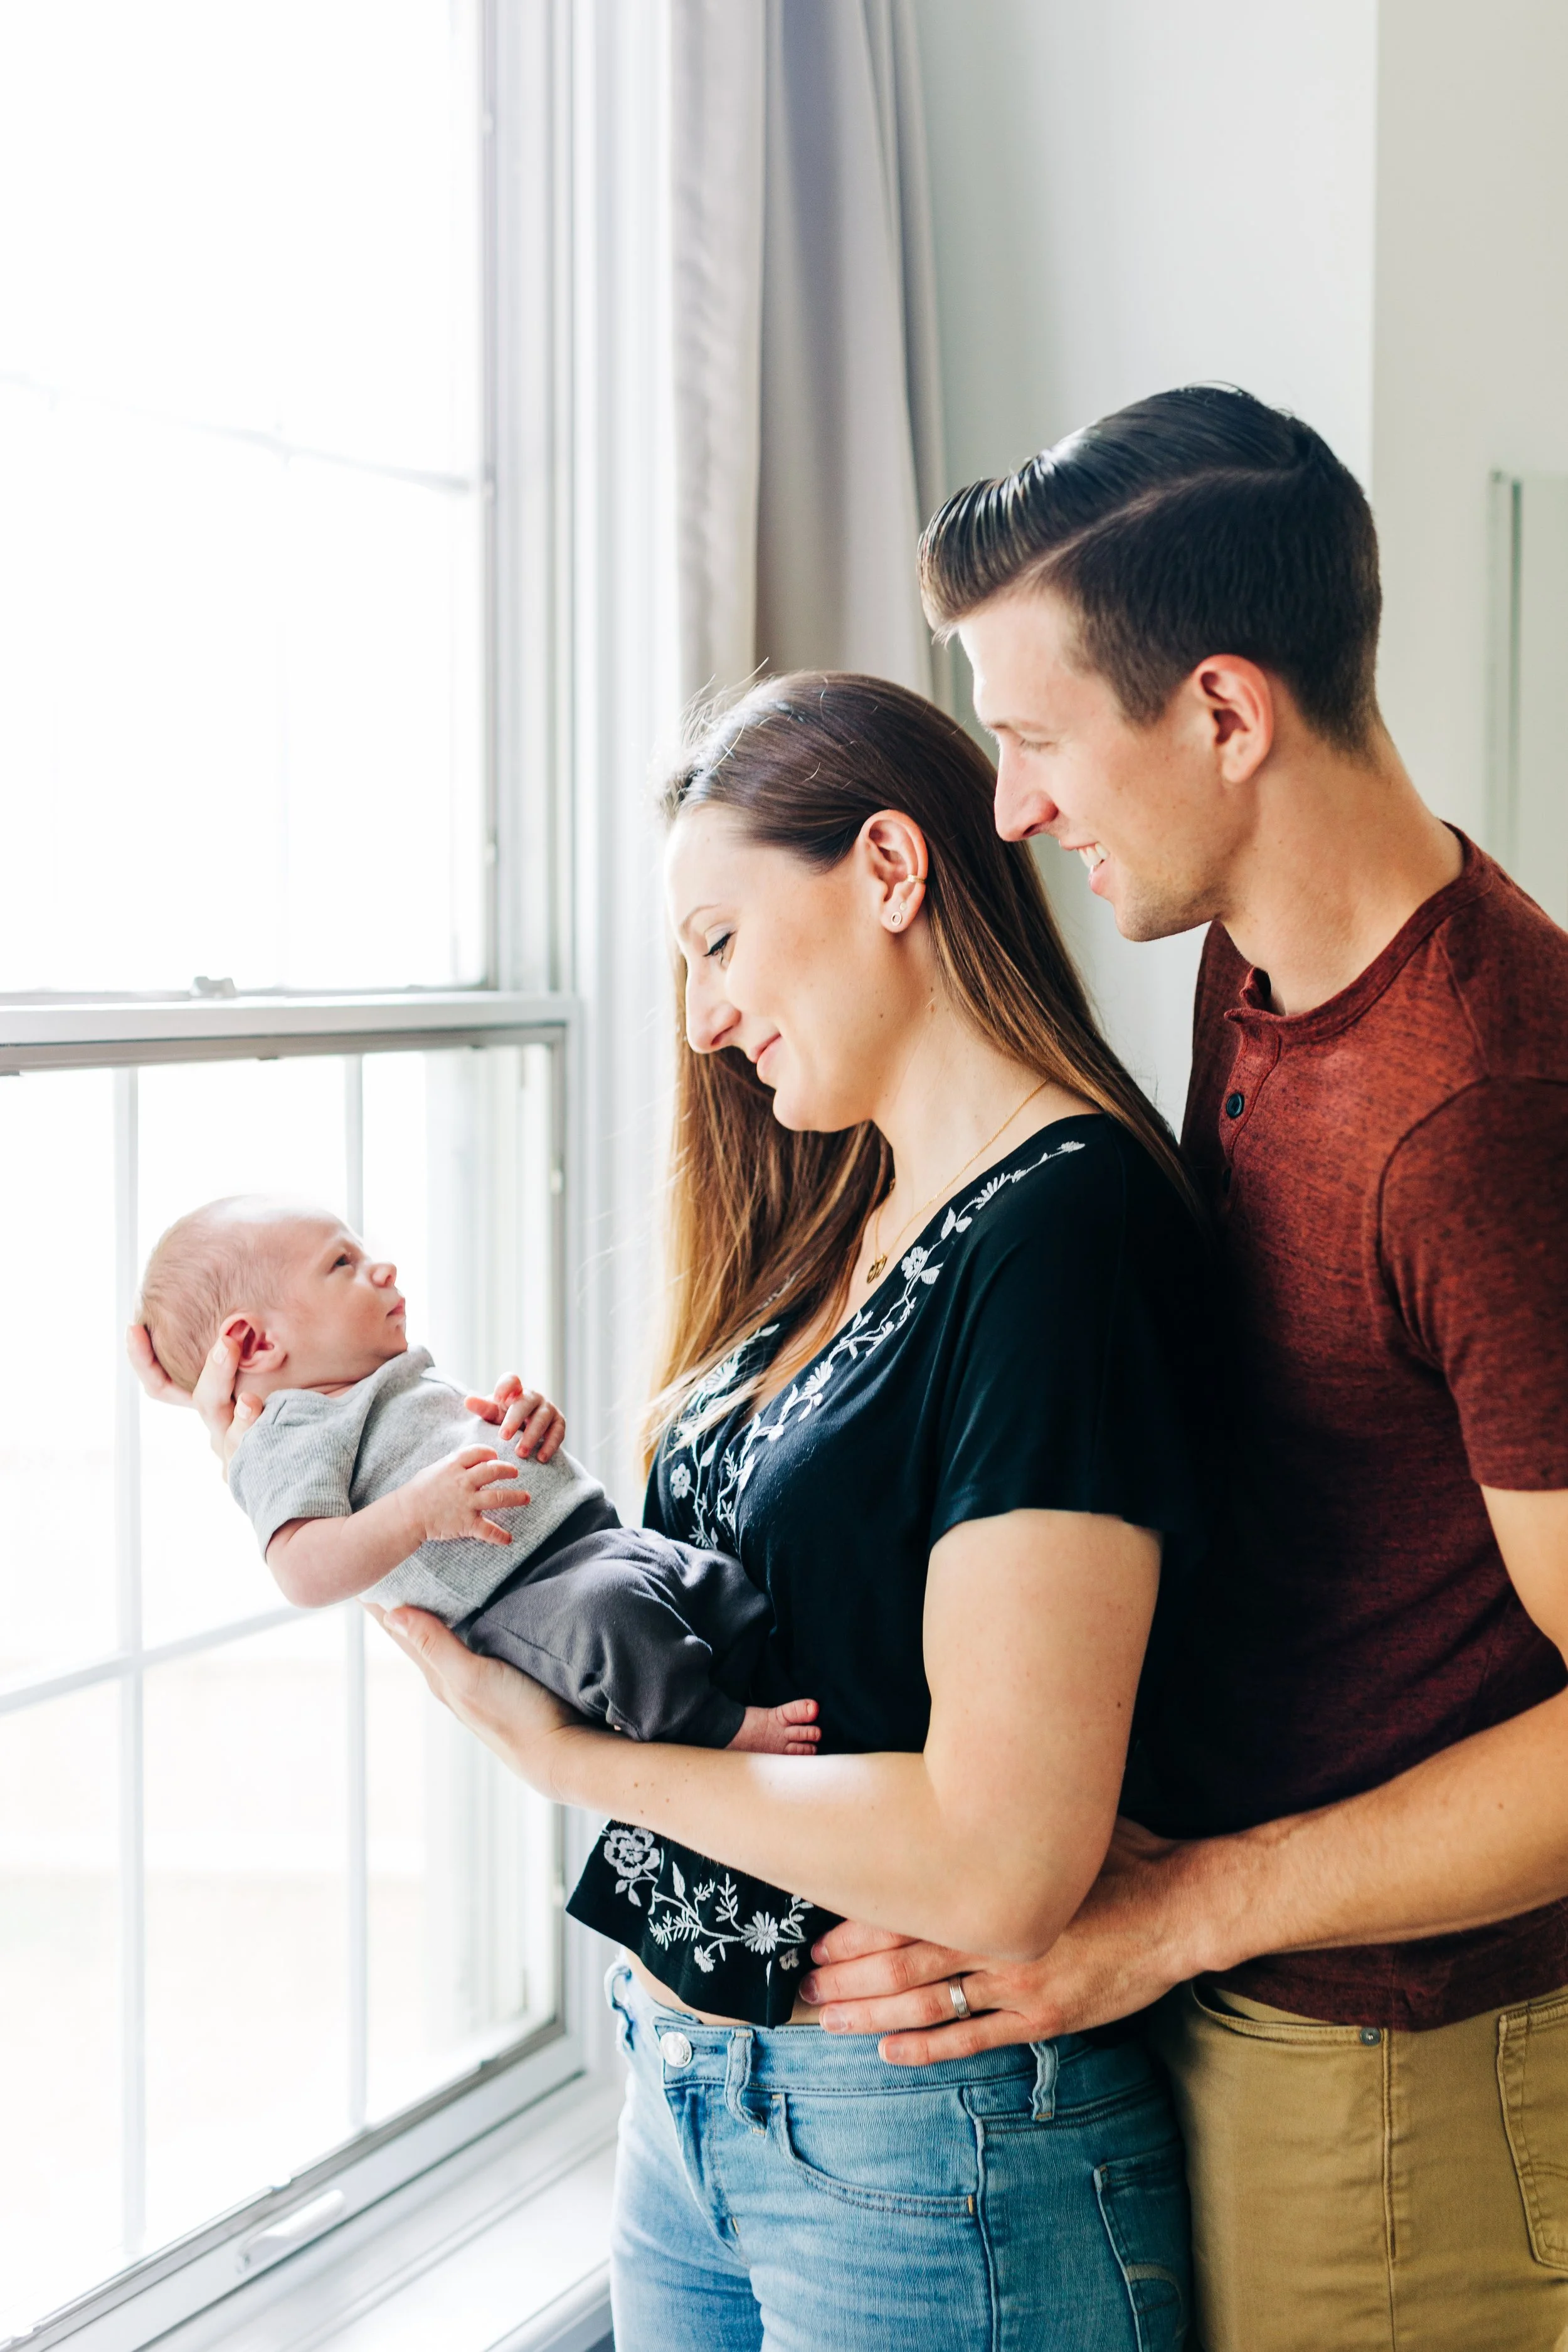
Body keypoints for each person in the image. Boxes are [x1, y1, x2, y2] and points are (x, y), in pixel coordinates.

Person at [138, 674, 1217, 2348]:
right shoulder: (835, 1212)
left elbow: (1006, 1853)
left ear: (885, 868)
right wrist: (282, 1446)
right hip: (691, 2088)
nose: (700, 1017)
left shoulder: (1054, 1231)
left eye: (716, 940)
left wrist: (569, 1763)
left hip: (921, 2139)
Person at [799, 387, 1568, 2352]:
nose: (1011, 805)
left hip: (1401, 2068)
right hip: (1229, 1985)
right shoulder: (1249, 958)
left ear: (1220, 715)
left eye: (1035, 736)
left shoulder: (1482, 1113)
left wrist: (1191, 1903)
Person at [134, 1195, 818, 1754]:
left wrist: (525, 1418)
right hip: (524, 1600)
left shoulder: (381, 1378)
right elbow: (300, 1570)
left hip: (591, 1540)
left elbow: (474, 1439)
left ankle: (769, 1673)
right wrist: (416, 1512)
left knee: (713, 1587)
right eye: (342, 1263)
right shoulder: (292, 1431)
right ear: (256, 1342)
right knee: (615, 1620)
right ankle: (715, 1728)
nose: (382, 1268)